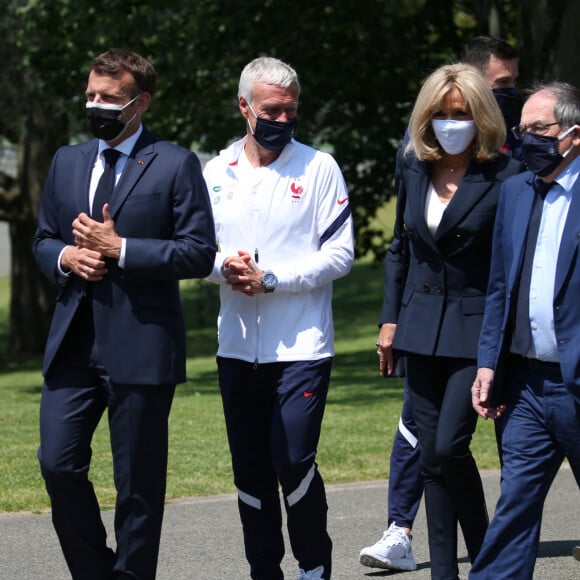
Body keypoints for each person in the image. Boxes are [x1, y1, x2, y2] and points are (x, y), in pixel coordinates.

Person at [33, 48, 217, 579]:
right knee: (57, 463)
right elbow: (44, 239)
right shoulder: (67, 160)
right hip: (73, 342)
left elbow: (198, 252)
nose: (97, 106)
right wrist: (67, 257)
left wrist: (123, 248)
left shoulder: (175, 162)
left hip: (141, 343)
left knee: (137, 483)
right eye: (92, 95)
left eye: (110, 99)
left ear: (141, 103)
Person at [360, 36, 522, 572]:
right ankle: (454, 569)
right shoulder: (412, 164)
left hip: (476, 331)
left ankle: (486, 558)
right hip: (418, 328)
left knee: (447, 448)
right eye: (442, 113)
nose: (452, 122)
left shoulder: (506, 176)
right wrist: (389, 319)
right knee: (432, 457)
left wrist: (499, 349)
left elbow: (507, 267)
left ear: (481, 115)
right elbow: (401, 248)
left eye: (462, 112)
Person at [203, 56, 354, 580]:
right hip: (236, 347)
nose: (284, 120)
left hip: (303, 347)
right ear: (244, 107)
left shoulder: (319, 167)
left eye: (292, 111)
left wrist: (272, 278)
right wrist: (226, 267)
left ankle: (314, 566)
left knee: (292, 460)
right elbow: (196, 252)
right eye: (272, 109)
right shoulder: (215, 171)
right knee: (250, 468)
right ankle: (264, 570)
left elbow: (340, 254)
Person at [470, 82, 580, 579]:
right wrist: (488, 363)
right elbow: (499, 288)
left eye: (539, 129)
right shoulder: (515, 190)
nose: (525, 139)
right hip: (526, 385)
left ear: (573, 135)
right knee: (514, 507)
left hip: (576, 384)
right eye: (522, 130)